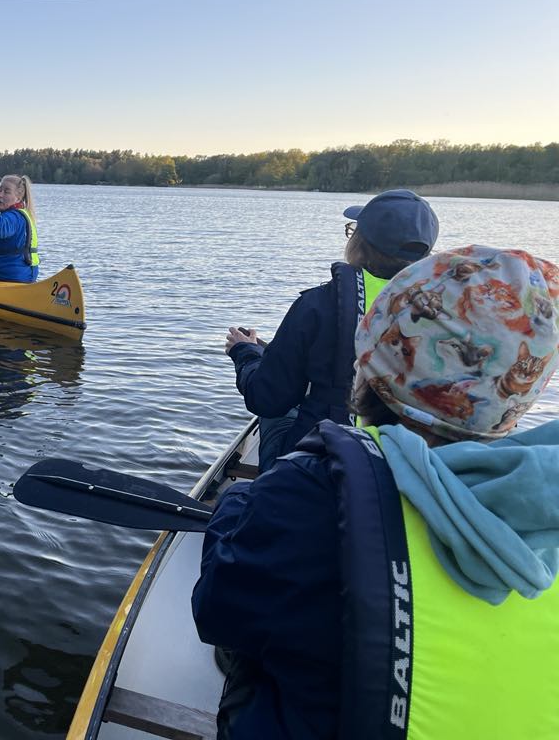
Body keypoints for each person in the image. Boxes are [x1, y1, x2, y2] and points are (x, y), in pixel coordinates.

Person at [193, 245, 559, 740]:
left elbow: (216, 613)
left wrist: (235, 504)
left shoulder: (306, 494)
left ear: (370, 361)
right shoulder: (544, 505)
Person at [225, 189, 439, 472]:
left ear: (360, 243)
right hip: (404, 459)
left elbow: (267, 398)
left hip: (321, 462)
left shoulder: (318, 305)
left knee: (282, 408)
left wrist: (246, 354)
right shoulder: (448, 311)